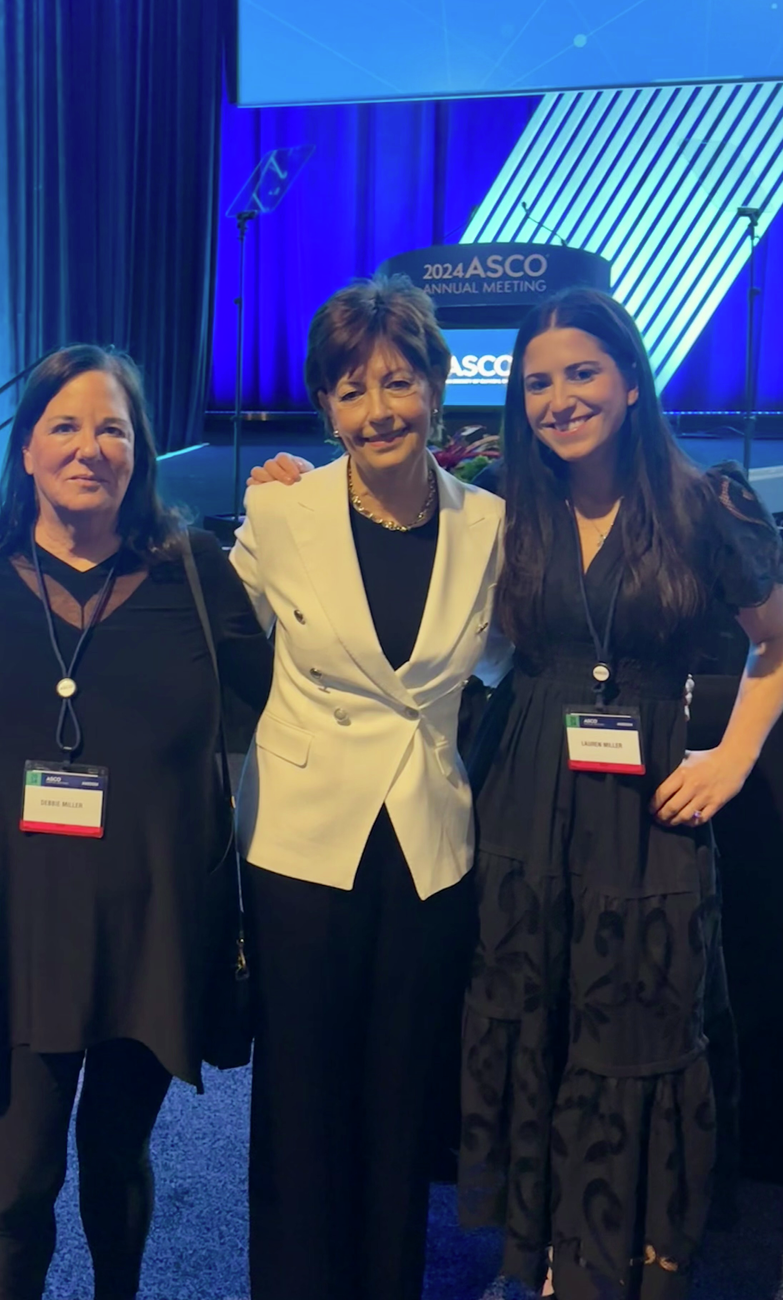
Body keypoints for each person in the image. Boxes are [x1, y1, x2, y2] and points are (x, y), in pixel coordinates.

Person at [458, 290, 783, 1300]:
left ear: (631, 380)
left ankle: (628, 1249)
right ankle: (552, 1252)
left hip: (647, 812)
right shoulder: (505, 502)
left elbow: (778, 640)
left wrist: (731, 759)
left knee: (638, 1026)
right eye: (538, 381)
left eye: (582, 373)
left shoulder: (705, 504)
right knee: (536, 1014)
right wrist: (300, 484)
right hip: (524, 795)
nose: (559, 398)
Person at [0, 344, 272, 1300]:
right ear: (25, 448)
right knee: (18, 1183)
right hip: (20, 931)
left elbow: (294, 704)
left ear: (141, 451)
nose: (89, 448)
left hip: (153, 930)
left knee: (117, 1159)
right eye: (65, 425)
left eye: (112, 429)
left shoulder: (195, 572)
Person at [232, 274, 506, 1300]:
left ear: (436, 384)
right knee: (300, 1101)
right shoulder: (280, 512)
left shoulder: (490, 525)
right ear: (326, 406)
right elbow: (219, 646)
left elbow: (513, 659)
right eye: (352, 391)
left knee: (401, 1101)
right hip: (304, 845)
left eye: (398, 382)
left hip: (428, 850)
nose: (379, 410)